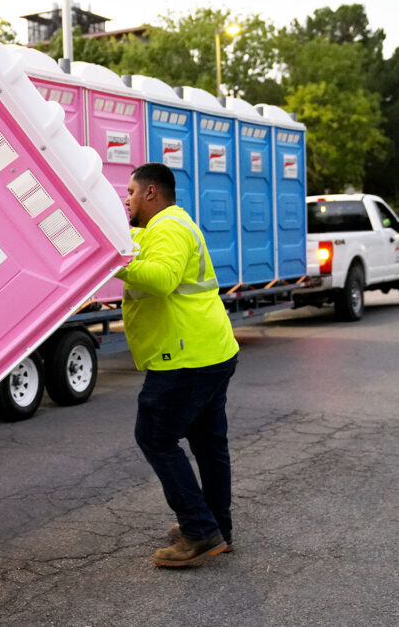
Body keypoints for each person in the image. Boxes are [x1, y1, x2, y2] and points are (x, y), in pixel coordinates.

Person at [115, 162, 239, 568]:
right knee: (208, 443)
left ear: (151, 193)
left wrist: (109, 261)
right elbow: (143, 248)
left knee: (155, 436)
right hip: (210, 350)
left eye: (131, 192)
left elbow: (163, 278)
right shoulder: (172, 225)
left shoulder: (168, 228)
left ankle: (199, 531)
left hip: (185, 356)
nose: (127, 199)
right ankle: (217, 526)